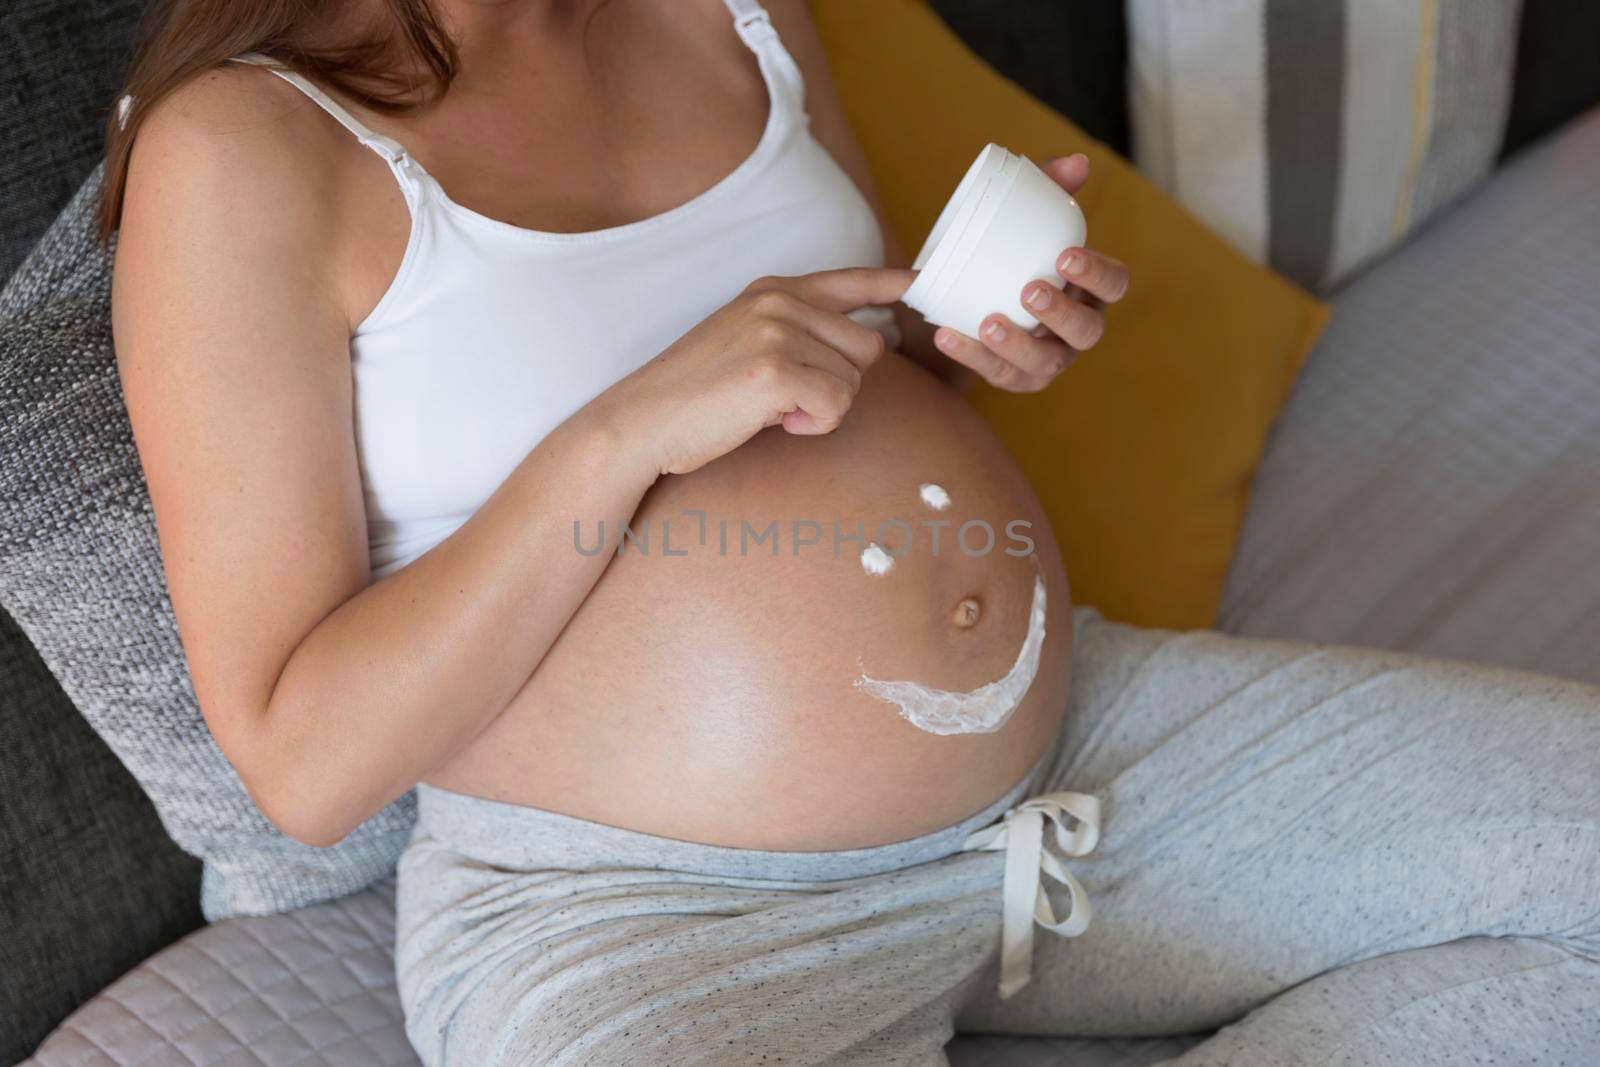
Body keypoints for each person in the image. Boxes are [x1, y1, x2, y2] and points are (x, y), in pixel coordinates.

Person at [106, 0, 1600, 1063]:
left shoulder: (736, 8)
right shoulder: (247, 151)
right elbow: (301, 761)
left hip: (1068, 773)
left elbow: (851, 381)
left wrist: (969, 345)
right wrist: (622, 434)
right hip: (643, 921)